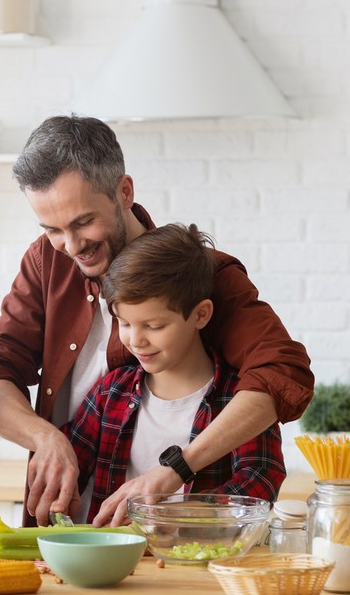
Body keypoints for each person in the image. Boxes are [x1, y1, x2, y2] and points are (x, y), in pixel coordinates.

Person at [0, 115, 312, 526]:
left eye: (82, 222)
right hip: (77, 530)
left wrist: (176, 472)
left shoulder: (200, 274)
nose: (71, 246)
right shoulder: (47, 260)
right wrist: (46, 438)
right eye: (52, 229)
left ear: (124, 191)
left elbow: (282, 372)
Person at [65, 223, 286, 526]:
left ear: (201, 314)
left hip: (198, 564)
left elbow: (259, 483)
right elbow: (69, 469)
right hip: (111, 564)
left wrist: (169, 516)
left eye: (154, 326)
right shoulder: (109, 393)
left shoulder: (240, 400)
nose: (136, 340)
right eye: (124, 323)